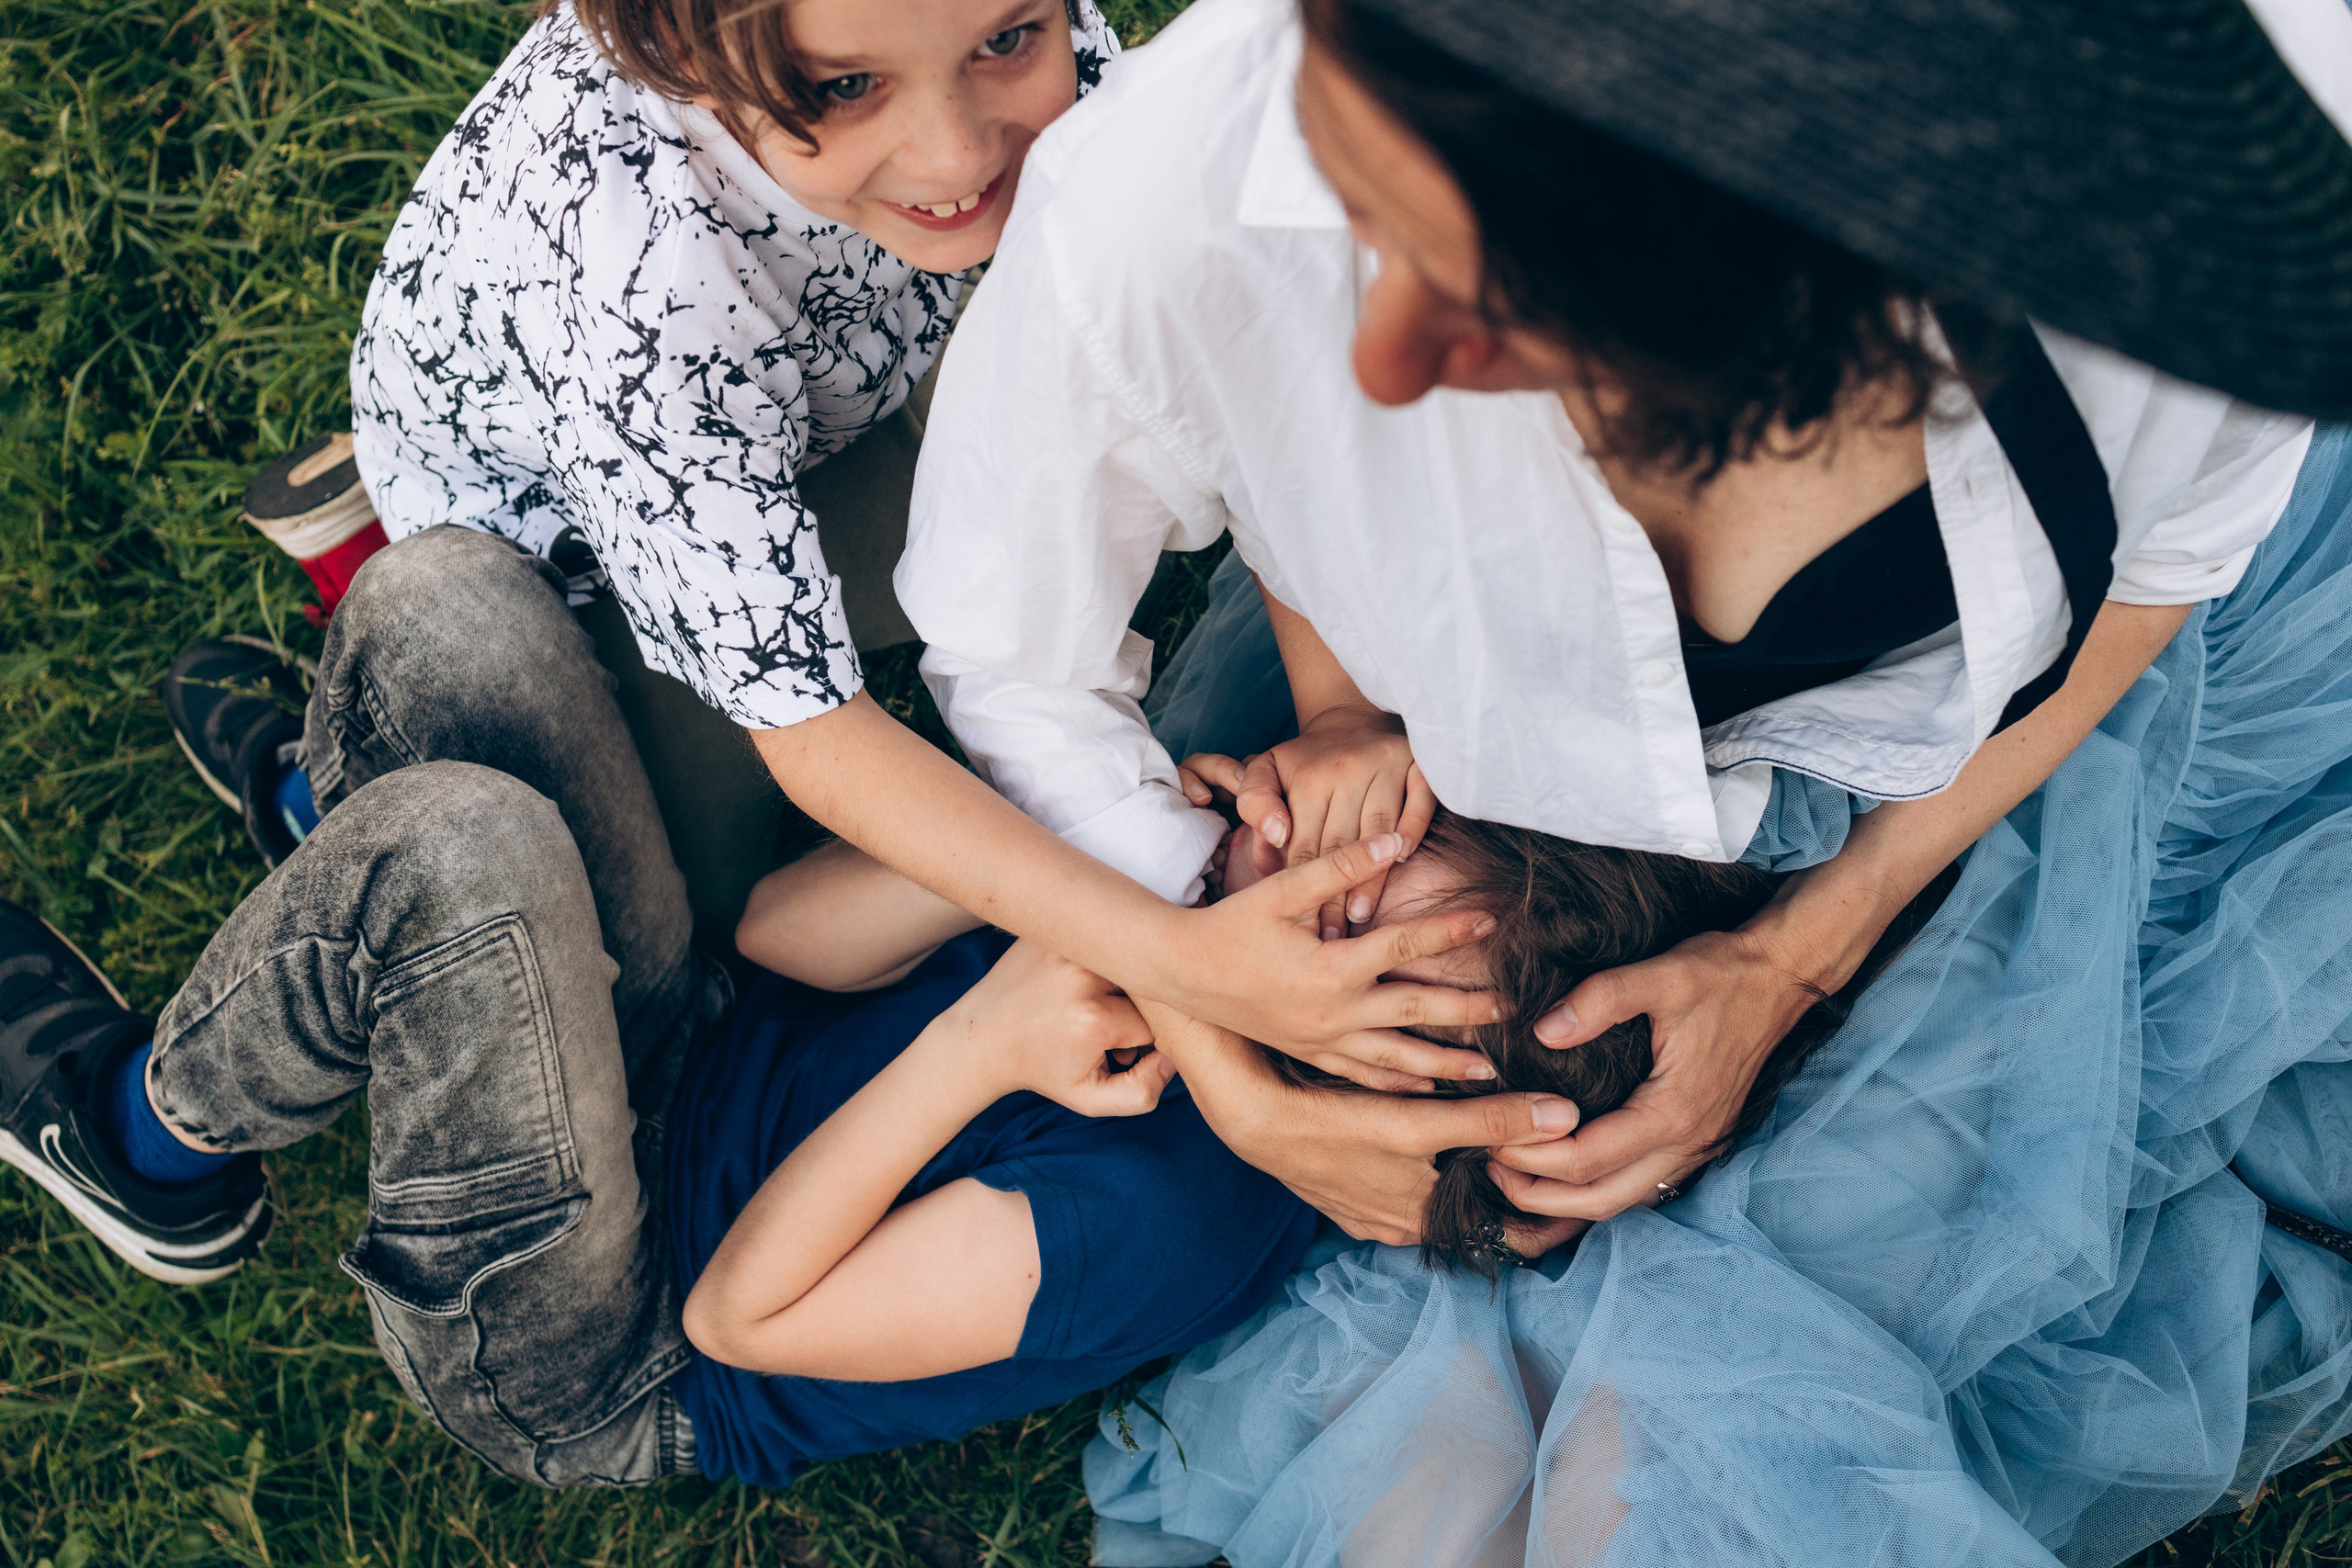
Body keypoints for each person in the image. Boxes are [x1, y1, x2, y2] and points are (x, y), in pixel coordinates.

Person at [888, 0, 2352, 1557]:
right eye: (1360, 219)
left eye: (1476, 298)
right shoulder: (1168, 194)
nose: (1373, 356)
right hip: (1429, 750)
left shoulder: (2183, 261)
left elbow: (2159, 581)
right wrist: (1223, 1035)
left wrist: (1803, 947)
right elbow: (1015, 657)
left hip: (2005, 765)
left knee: (1717, 1387)